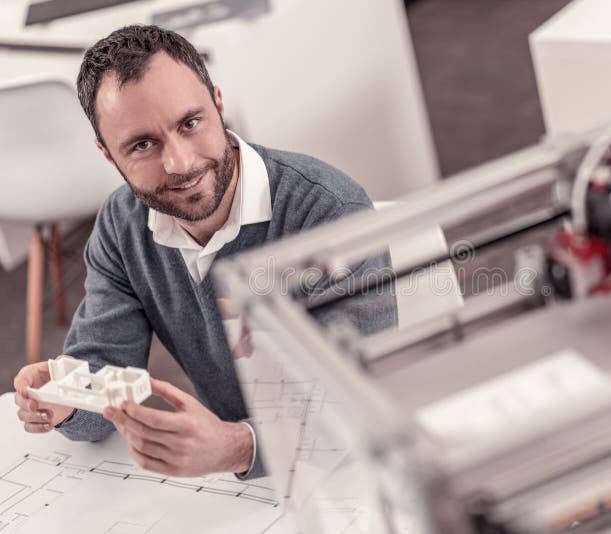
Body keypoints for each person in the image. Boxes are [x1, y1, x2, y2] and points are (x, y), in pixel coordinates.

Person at [12, 24, 397, 480]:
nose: (180, 163)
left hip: (352, 474)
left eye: (189, 123)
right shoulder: (121, 225)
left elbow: (361, 405)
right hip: (242, 484)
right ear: (108, 155)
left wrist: (239, 447)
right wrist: (68, 402)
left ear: (218, 103)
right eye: (142, 145)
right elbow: (104, 374)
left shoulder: (329, 213)